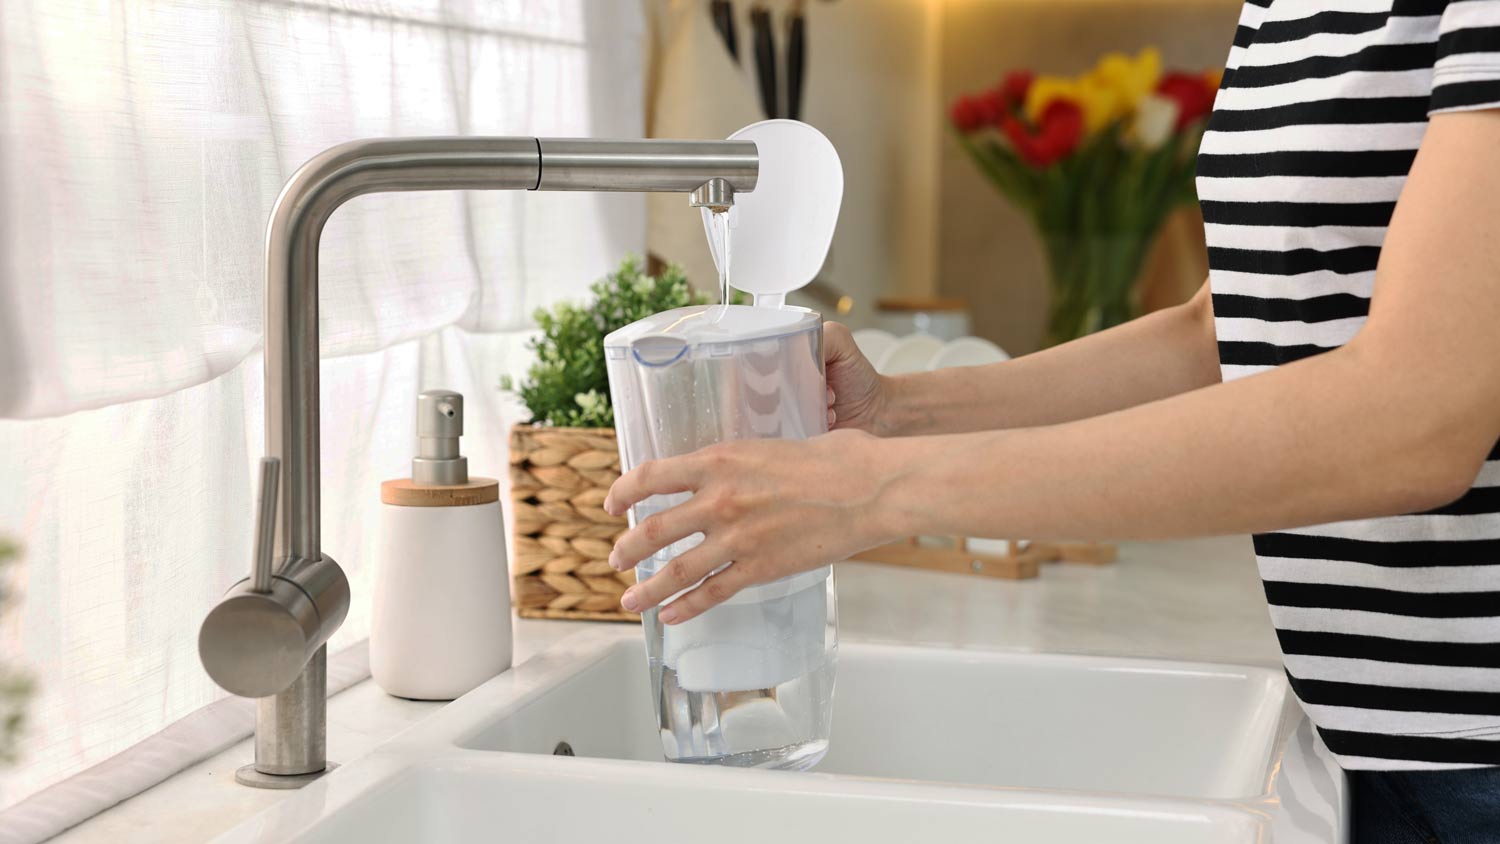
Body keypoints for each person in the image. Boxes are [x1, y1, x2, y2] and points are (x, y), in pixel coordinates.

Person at [604, 2, 1500, 840]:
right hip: (1373, 742)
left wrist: (876, 493)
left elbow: (1418, 415)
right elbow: (1225, 330)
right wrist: (897, 417)